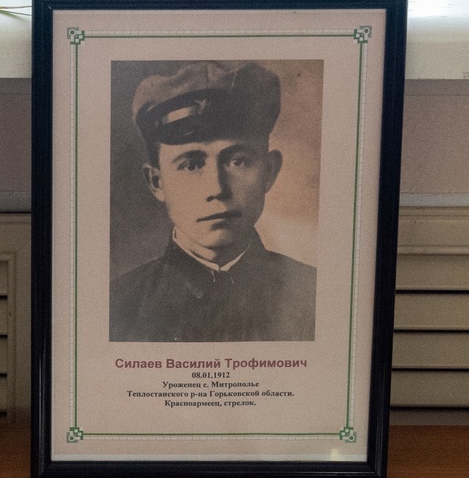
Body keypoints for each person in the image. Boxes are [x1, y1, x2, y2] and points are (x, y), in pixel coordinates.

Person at [109, 60, 316, 342]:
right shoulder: (117, 306)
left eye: (238, 161)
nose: (217, 189)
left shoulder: (317, 295)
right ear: (157, 182)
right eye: (191, 164)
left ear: (269, 171)